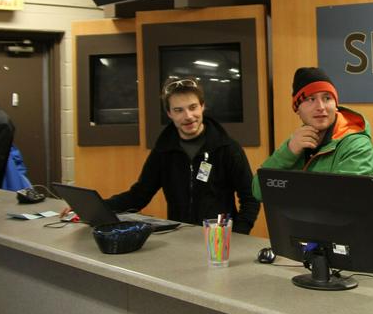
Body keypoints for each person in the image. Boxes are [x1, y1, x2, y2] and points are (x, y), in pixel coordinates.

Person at [100, 78, 259, 233]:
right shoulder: (163, 151)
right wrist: (99, 208)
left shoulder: (227, 148)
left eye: (193, 107)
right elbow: (139, 195)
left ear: (202, 106)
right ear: (169, 113)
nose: (188, 116)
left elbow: (250, 199)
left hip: (217, 240)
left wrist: (238, 235)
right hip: (180, 240)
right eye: (179, 110)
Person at [254, 67, 373, 199]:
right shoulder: (296, 143)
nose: (321, 107)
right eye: (311, 99)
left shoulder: (357, 144)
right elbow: (259, 192)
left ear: (335, 105)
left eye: (327, 98)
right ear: (297, 109)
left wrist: (289, 191)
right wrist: (288, 152)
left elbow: (343, 200)